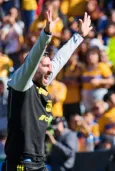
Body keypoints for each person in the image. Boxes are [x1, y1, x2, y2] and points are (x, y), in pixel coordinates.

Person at [2, 9, 93, 171]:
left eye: (50, 65)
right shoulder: (21, 84)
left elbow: (60, 59)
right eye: (45, 65)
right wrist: (46, 35)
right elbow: (32, 60)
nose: (51, 69)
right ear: (34, 69)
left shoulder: (42, 82)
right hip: (21, 164)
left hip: (39, 162)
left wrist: (79, 36)